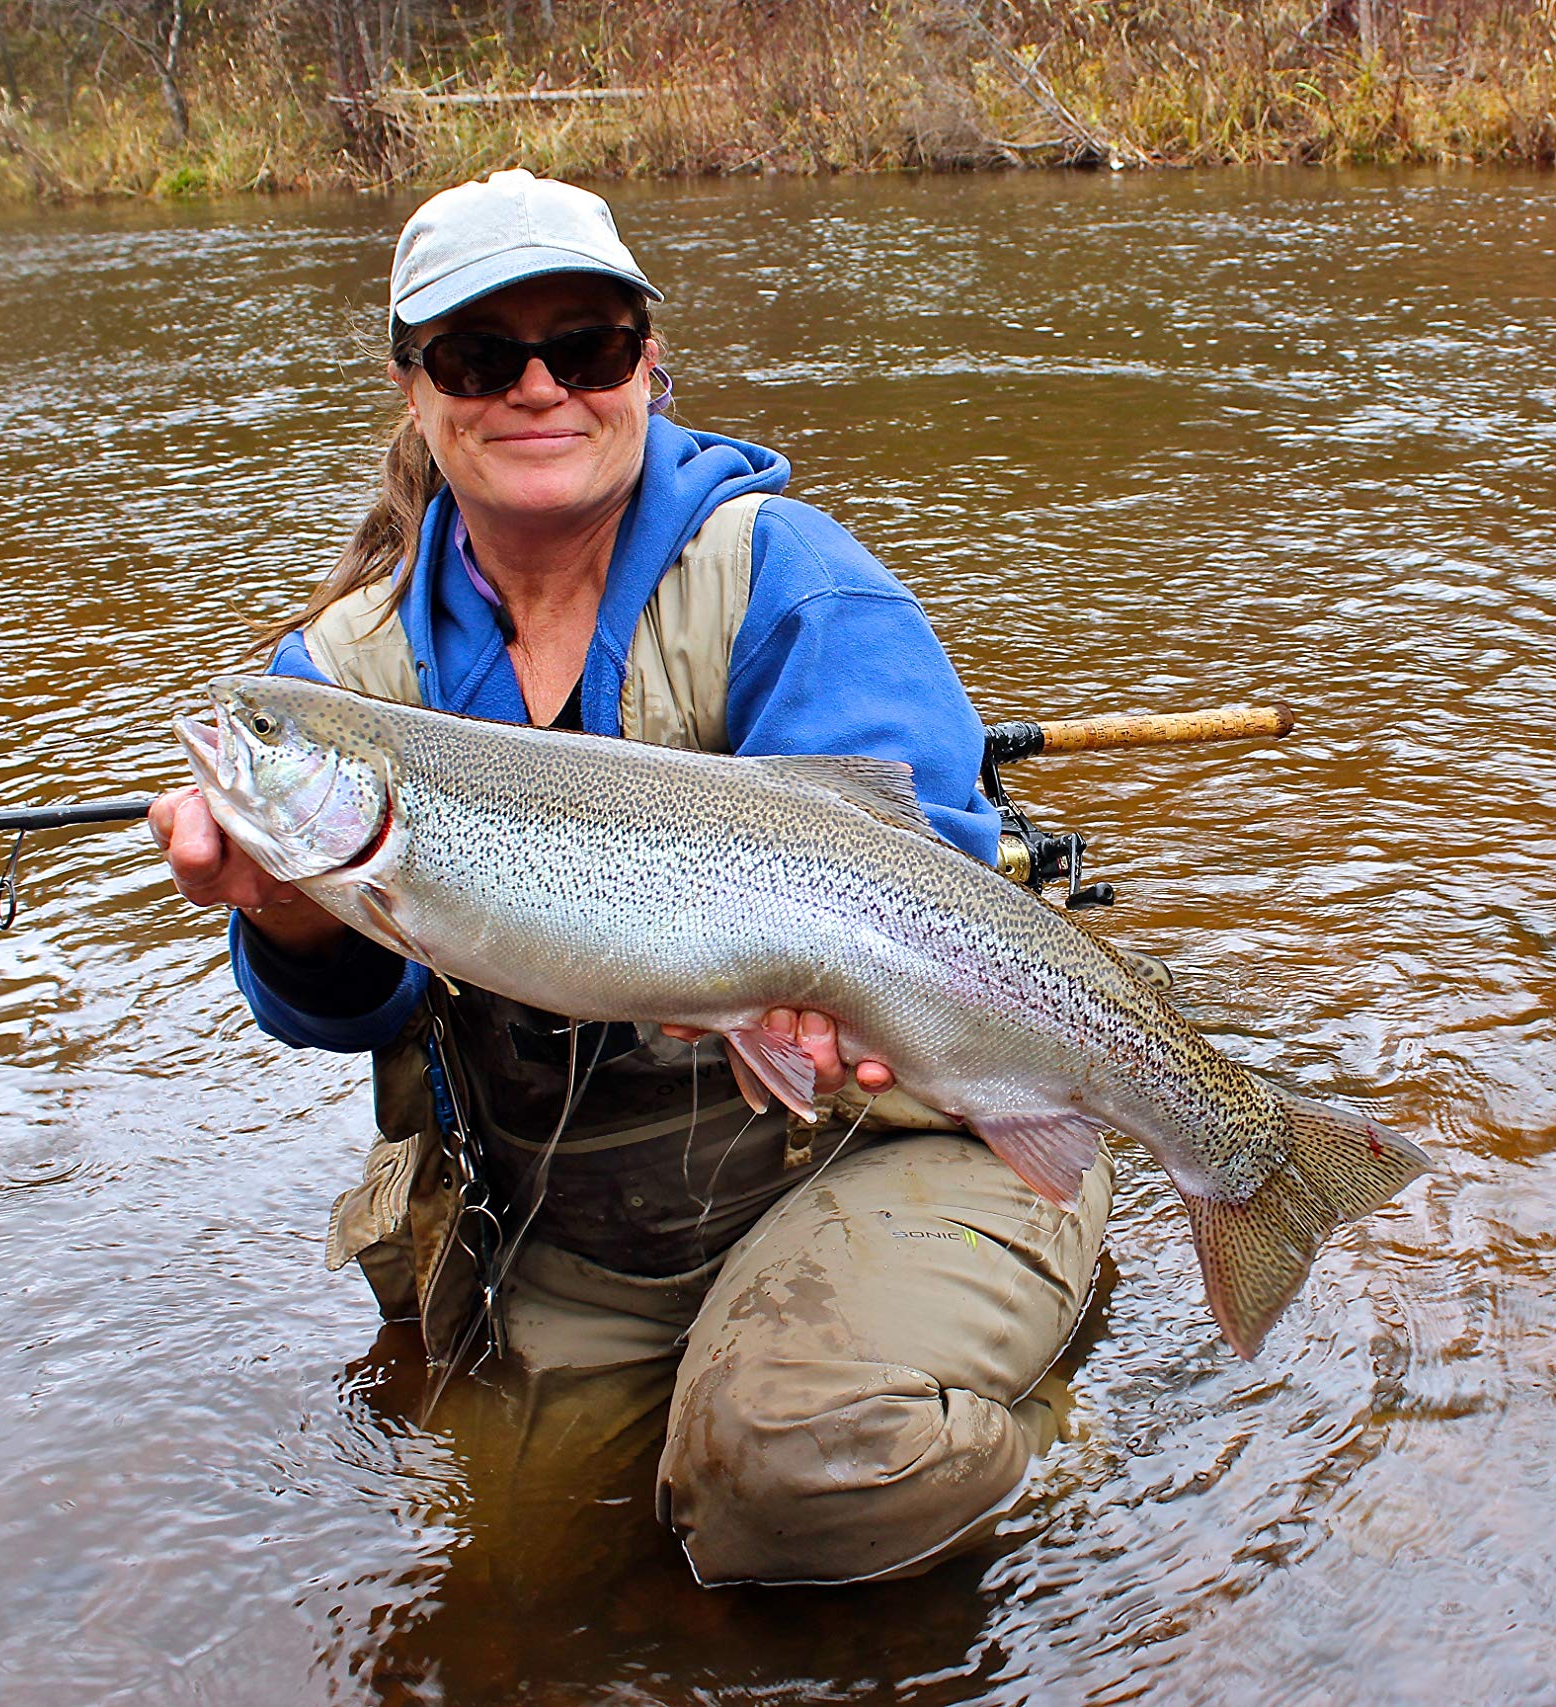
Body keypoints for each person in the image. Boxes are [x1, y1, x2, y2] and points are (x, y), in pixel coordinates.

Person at [149, 170, 1112, 1586]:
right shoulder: (340, 679)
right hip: (584, 1218)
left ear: (649, 365)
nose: (539, 387)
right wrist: (292, 907)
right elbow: (344, 1016)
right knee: (528, 1573)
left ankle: (1064, 1461)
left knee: (792, 1476)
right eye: (483, 356)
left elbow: (941, 896)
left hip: (884, 1137)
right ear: (418, 389)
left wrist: (806, 992)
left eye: (585, 346)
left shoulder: (790, 579)